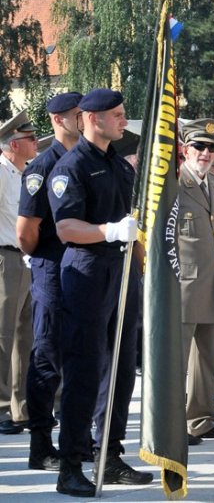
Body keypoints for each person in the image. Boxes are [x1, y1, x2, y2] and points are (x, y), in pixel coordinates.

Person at [47, 89, 152, 496]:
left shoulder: (119, 167)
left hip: (121, 271)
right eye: (118, 115)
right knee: (85, 371)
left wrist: (144, 262)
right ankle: (70, 464)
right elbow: (66, 228)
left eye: (124, 114)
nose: (124, 121)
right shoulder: (71, 167)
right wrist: (108, 231)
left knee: (122, 371)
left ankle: (108, 455)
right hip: (87, 273)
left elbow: (133, 224)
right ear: (92, 119)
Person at [17, 93, 82, 469]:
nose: (84, 119)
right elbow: (26, 230)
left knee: (80, 357)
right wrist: (42, 258)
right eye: (78, 115)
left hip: (83, 270)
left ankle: (75, 436)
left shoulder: (88, 161)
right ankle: (41, 445)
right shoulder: (43, 167)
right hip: (53, 268)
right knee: (47, 357)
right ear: (60, 120)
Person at [177, 119, 214, 444]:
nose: (206, 153)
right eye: (200, 146)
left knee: (206, 359)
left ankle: (200, 420)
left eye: (212, 148)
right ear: (186, 149)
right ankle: (173, 424)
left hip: (212, 281)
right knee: (177, 361)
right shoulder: (174, 184)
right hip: (183, 284)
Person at [0, 111, 37, 437]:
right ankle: (1, 407)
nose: (35, 142)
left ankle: (20, 406)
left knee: (25, 337)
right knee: (3, 335)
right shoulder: (0, 172)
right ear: (14, 143)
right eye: (30, 138)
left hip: (25, 258)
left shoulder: (23, 173)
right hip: (5, 259)